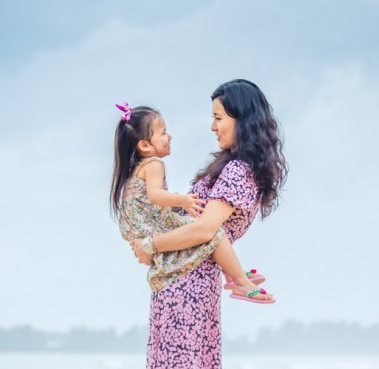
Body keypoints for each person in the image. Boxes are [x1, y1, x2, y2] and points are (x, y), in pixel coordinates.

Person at [127, 79, 287, 369]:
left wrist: (149, 245)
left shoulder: (237, 171)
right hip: (186, 279)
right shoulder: (231, 166)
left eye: (219, 117)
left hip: (189, 284)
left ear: (243, 120)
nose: (212, 126)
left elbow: (204, 229)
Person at [110, 102, 271, 303]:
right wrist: (182, 200)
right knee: (214, 232)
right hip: (172, 261)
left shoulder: (137, 169)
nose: (169, 136)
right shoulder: (154, 164)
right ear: (144, 145)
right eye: (163, 132)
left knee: (206, 230)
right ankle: (239, 279)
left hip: (143, 230)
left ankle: (233, 272)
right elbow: (155, 196)